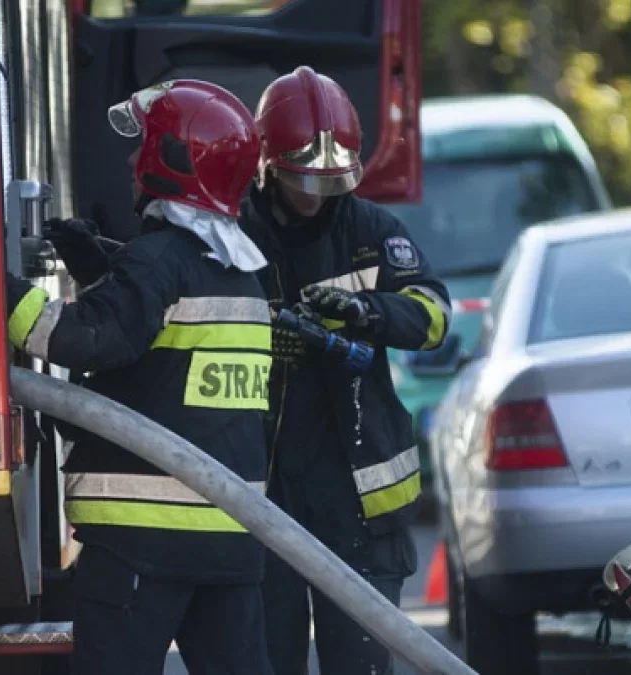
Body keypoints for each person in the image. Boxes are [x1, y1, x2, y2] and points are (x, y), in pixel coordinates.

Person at [5, 79, 274, 675]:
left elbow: (84, 339)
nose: (131, 159)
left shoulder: (156, 263)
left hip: (141, 544)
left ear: (172, 161)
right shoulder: (240, 275)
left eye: (144, 146)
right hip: (231, 543)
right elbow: (161, 354)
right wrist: (103, 271)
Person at [240, 65, 451, 675]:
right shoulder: (234, 234)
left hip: (359, 496)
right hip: (265, 487)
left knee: (358, 661)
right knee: (267, 660)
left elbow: (431, 315)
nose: (315, 195)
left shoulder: (372, 231)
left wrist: (367, 312)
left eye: (328, 181)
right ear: (268, 163)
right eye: (302, 179)